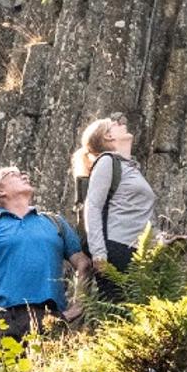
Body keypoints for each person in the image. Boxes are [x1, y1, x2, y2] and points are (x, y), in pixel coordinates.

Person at [0, 164, 91, 340]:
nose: (25, 176)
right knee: (14, 368)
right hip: (8, 319)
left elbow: (84, 263)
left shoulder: (54, 222)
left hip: (53, 316)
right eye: (14, 174)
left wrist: (79, 304)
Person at [72, 112, 157, 288]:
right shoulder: (106, 161)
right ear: (108, 136)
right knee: (117, 309)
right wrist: (99, 253)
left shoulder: (129, 167)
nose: (122, 122)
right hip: (117, 249)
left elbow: (138, 213)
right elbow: (93, 206)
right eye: (115, 123)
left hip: (136, 250)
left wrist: (158, 240)